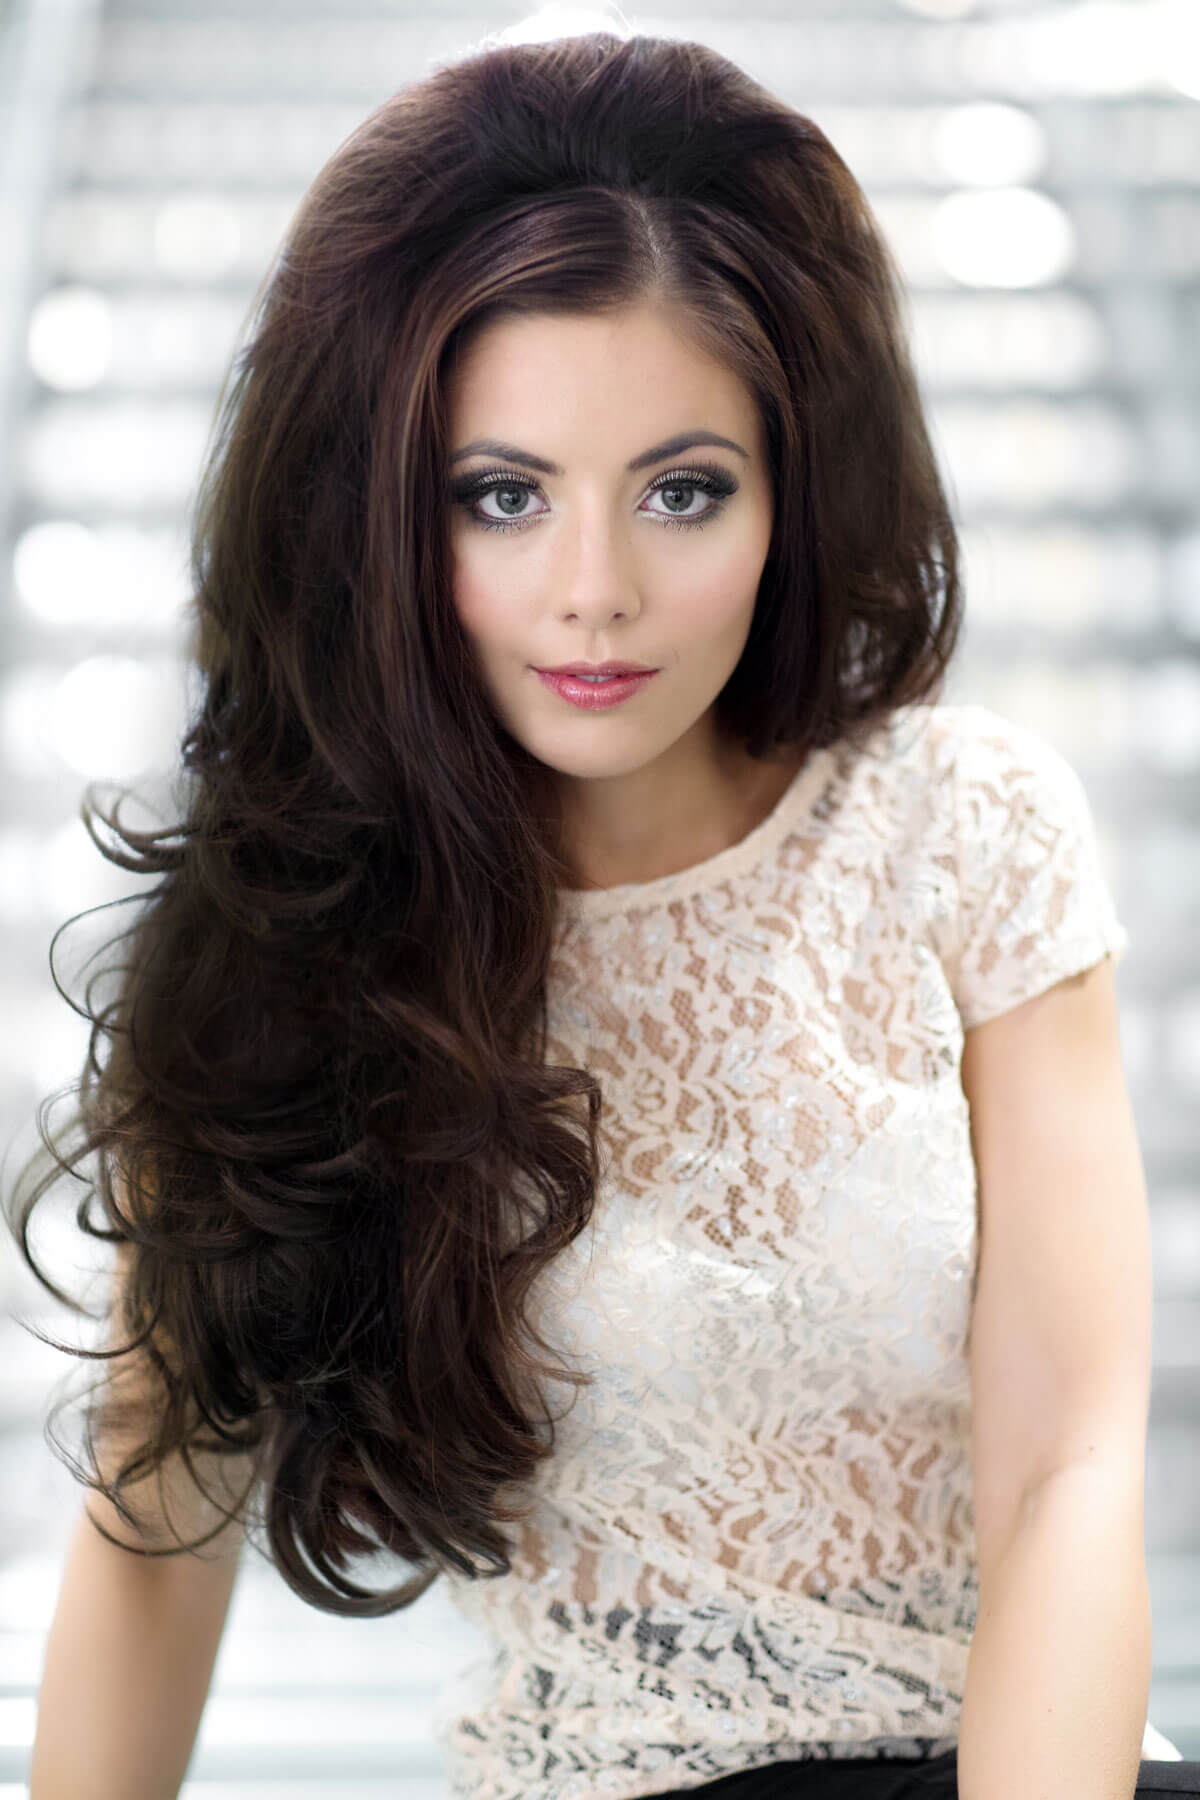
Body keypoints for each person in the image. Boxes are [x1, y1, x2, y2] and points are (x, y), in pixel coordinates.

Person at [8, 18, 1196, 1800]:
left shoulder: (967, 828)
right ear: (383, 525)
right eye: (503, 497)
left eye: (682, 491)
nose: (596, 595)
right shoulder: (290, 941)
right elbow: (153, 1544)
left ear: (792, 495)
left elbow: (1071, 1465)